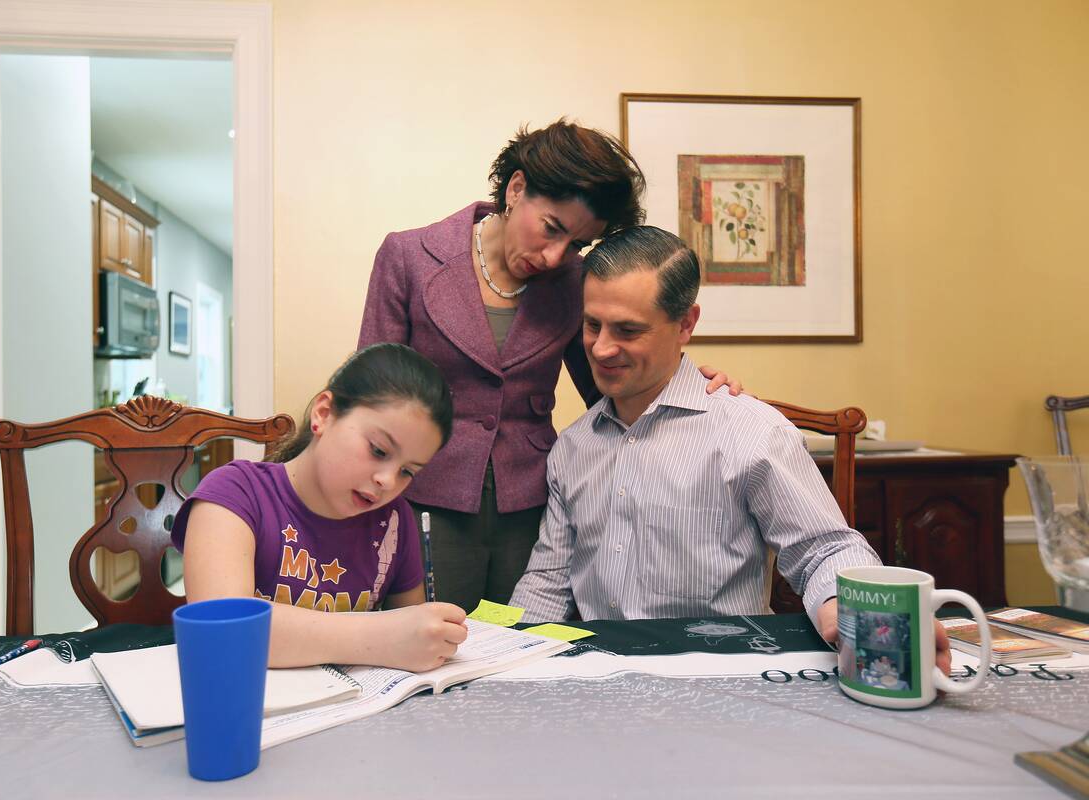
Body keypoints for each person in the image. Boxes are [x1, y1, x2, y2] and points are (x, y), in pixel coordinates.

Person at [508, 225, 951, 669]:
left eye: (628, 330)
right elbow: (548, 580)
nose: (602, 348)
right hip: (601, 677)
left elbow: (825, 549)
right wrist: (501, 656)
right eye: (592, 325)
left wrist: (856, 607)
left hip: (722, 672)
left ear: (686, 324)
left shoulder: (751, 432)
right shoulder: (573, 446)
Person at [358, 119, 741, 613]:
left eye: (577, 244)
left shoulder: (575, 281)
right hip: (424, 495)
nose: (557, 256)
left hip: (533, 504)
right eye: (552, 229)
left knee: (529, 643)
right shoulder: (409, 256)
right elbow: (370, 395)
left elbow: (612, 385)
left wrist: (686, 383)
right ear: (516, 189)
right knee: (431, 641)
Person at [172, 343, 469, 672]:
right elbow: (223, 633)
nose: (388, 480)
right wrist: (382, 637)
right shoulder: (234, 492)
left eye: (408, 471)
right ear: (324, 414)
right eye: (379, 450)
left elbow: (414, 637)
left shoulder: (394, 521)